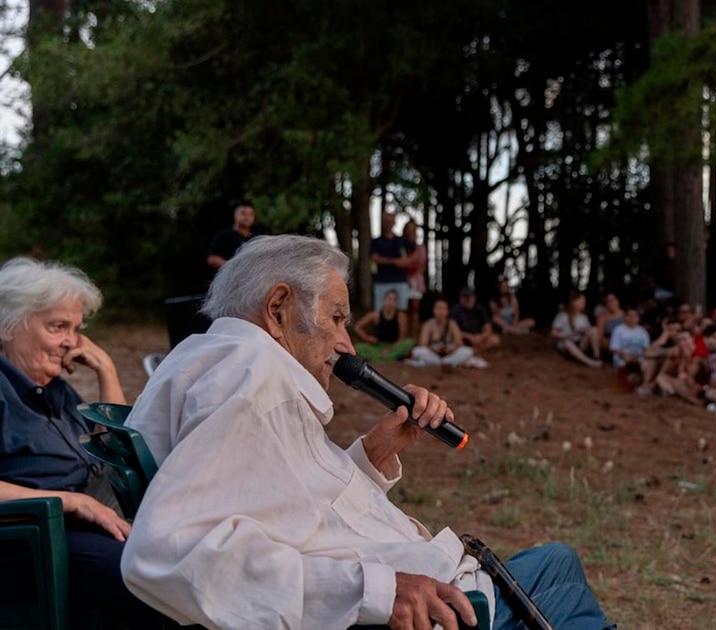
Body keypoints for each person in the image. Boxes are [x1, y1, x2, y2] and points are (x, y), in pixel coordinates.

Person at [121, 235, 614, 629]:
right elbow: (173, 550)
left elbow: (294, 508)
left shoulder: (215, 361)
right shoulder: (252, 376)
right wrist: (380, 592)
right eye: (336, 319)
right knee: (558, 564)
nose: (347, 345)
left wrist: (374, 452)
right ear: (278, 310)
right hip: (434, 609)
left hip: (424, 584)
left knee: (553, 562)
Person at [0, 258, 168, 628]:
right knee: (161, 587)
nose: (70, 342)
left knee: (196, 558)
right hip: (29, 541)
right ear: (8, 327)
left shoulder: (55, 388)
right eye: (57, 326)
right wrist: (73, 502)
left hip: (84, 527)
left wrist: (105, 367)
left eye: (76, 330)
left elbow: (123, 451)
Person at [411, 297, 479, 368]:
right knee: (418, 351)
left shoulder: (452, 324)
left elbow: (459, 342)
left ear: (447, 311)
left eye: (444, 309)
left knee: (468, 351)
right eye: (438, 308)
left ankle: (444, 363)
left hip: (449, 354)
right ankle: (445, 363)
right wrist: (432, 348)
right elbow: (423, 343)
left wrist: (452, 347)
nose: (441, 311)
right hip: (433, 355)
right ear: (434, 310)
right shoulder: (428, 324)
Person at [370, 212, 416, 313]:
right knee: (380, 311)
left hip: (400, 281)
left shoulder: (401, 240)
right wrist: (394, 262)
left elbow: (416, 253)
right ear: (383, 222)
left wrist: (406, 262)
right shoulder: (377, 241)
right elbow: (375, 258)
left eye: (391, 221)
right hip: (382, 281)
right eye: (387, 221)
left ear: (394, 222)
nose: (389, 223)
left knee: (401, 312)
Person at [352, 288, 414, 362]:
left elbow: (401, 339)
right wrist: (367, 338)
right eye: (389, 299)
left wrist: (389, 349)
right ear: (384, 300)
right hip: (378, 346)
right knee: (359, 347)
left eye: (394, 300)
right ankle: (387, 358)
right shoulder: (376, 315)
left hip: (394, 346)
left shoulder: (401, 316)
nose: (391, 302)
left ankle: (380, 358)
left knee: (409, 342)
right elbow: (357, 326)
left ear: (397, 302)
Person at [551, 291, 603, 369]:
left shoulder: (584, 317)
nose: (583, 304)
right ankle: (589, 362)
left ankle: (596, 356)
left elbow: (588, 332)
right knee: (567, 343)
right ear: (574, 303)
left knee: (594, 330)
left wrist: (585, 330)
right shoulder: (563, 316)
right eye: (581, 302)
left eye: (584, 302)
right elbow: (553, 333)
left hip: (580, 343)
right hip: (568, 345)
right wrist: (566, 335)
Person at [206, 200, 255, 271]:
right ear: (235, 214)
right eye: (243, 214)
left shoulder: (254, 239)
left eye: (251, 214)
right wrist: (231, 267)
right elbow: (212, 258)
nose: (247, 217)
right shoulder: (224, 236)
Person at [450, 287, 500, 353]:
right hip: (463, 338)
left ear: (474, 297)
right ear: (460, 298)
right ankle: (470, 351)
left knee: (495, 339)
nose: (468, 299)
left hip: (478, 338)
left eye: (470, 296)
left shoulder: (480, 309)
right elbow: (453, 329)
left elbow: (488, 327)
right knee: (455, 342)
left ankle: (471, 351)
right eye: (465, 297)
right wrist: (469, 337)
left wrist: (481, 337)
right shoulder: (455, 310)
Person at [401, 220, 427, 340]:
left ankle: (415, 337)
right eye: (409, 228)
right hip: (403, 281)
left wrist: (414, 276)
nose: (411, 231)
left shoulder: (420, 248)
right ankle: (403, 337)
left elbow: (422, 265)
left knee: (415, 310)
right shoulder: (401, 247)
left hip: (416, 281)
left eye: (413, 229)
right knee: (404, 309)